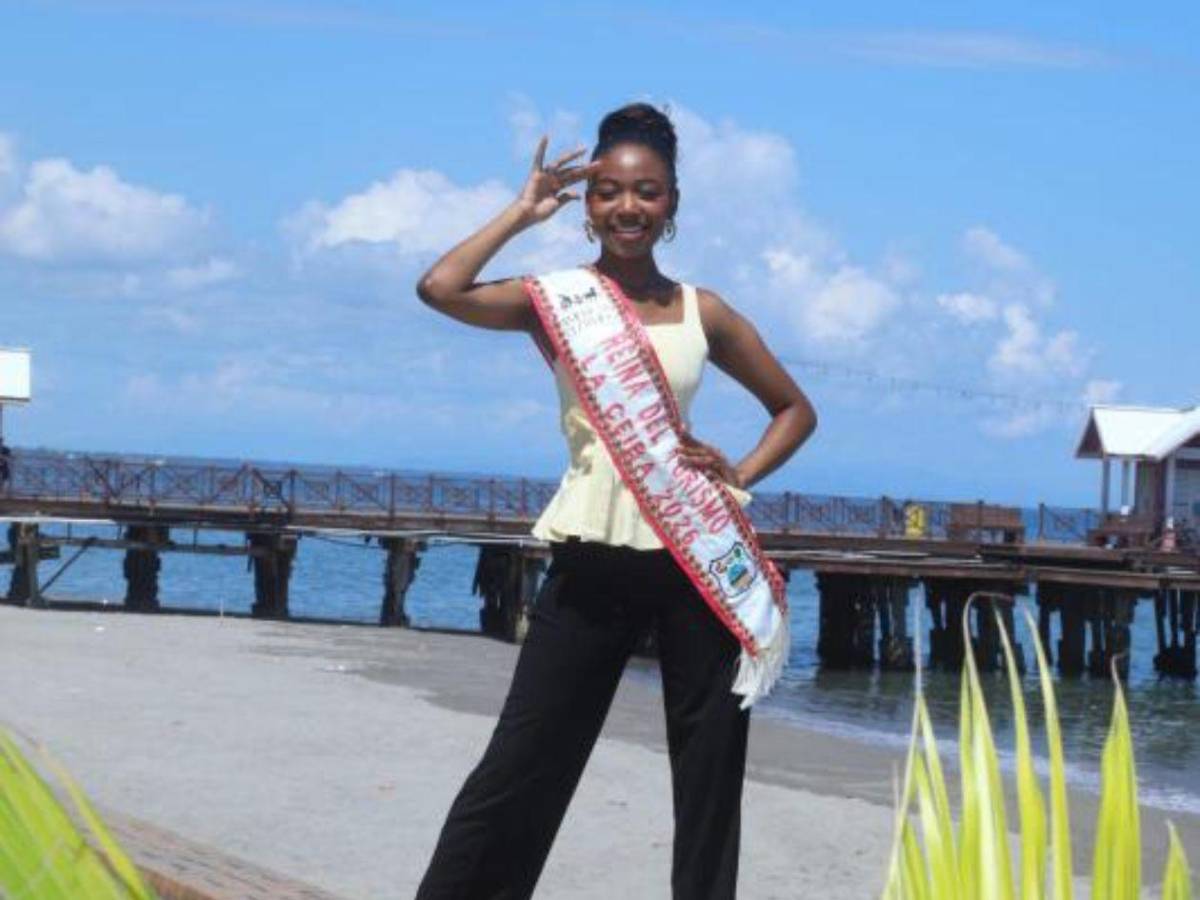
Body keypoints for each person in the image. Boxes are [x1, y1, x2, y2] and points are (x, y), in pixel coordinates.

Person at [414, 103, 817, 900]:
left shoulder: (707, 311)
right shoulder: (555, 298)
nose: (626, 207)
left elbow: (795, 410)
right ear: (587, 202)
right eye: (606, 191)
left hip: (696, 567)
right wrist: (522, 212)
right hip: (591, 560)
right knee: (523, 760)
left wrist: (735, 476)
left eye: (647, 192)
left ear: (672, 204)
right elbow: (440, 288)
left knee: (708, 778)